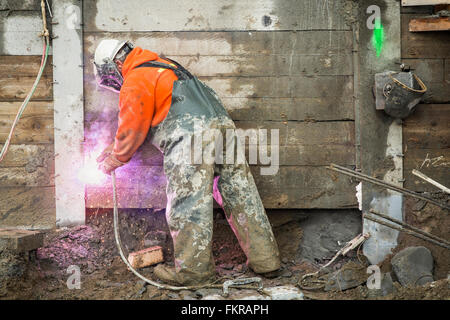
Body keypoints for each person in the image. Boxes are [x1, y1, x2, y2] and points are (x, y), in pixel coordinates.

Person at [94, 39, 281, 285]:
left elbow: (132, 130)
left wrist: (115, 158)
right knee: (240, 194)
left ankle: (194, 274)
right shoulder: (165, 65)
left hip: (191, 136)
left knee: (188, 202)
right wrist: (113, 147)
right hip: (222, 127)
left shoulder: (136, 78)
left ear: (117, 64)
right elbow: (142, 121)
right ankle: (267, 262)